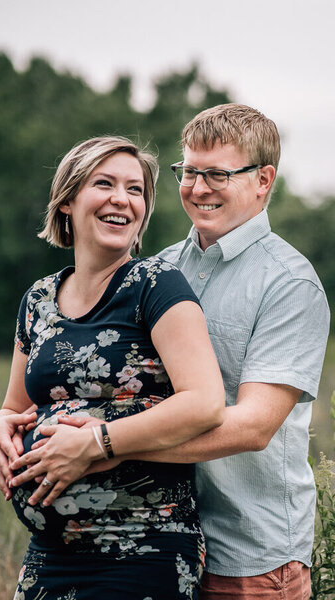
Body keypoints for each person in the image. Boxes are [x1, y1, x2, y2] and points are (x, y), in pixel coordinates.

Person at [0, 135, 225, 600]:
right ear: (69, 200)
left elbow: (206, 403)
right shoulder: (37, 300)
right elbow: (15, 407)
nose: (122, 199)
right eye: (105, 183)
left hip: (142, 547)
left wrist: (95, 442)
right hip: (48, 555)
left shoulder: (156, 285)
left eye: (135, 190)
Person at [119, 103, 329, 599]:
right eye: (189, 171)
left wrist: (107, 446)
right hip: (158, 539)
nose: (197, 187)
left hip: (247, 553)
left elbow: (254, 427)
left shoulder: (290, 284)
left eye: (217, 174)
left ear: (263, 180)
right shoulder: (160, 269)